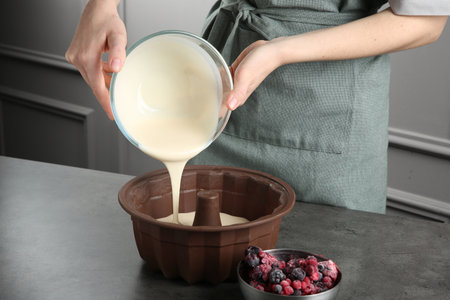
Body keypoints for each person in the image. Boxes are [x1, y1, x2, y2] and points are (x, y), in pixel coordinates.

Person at [66, 0, 449, 214]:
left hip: (328, 110)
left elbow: (424, 21)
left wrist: (280, 51)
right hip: (218, 75)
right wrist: (100, 5)